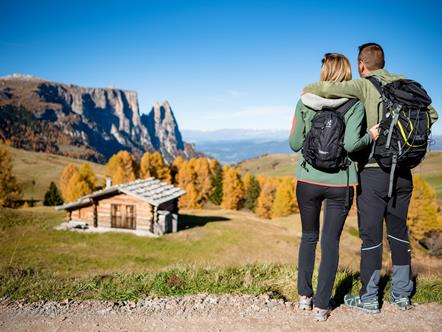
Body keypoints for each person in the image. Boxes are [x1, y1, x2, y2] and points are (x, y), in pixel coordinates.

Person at [303, 43, 439, 312]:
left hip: (374, 171)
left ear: (362, 65)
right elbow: (431, 114)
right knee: (399, 232)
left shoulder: (364, 85)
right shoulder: (406, 85)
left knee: (371, 236)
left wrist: (308, 89)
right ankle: (402, 294)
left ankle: (369, 298)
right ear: (384, 62)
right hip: (403, 172)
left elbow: (328, 88)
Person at [289, 53, 378, 321]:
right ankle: (321, 305)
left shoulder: (305, 100)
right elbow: (352, 145)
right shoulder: (355, 104)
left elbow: (294, 143)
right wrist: (370, 136)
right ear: (348, 73)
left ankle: (304, 296)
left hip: (307, 180)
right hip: (341, 183)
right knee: (330, 242)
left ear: (323, 72)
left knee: (308, 237)